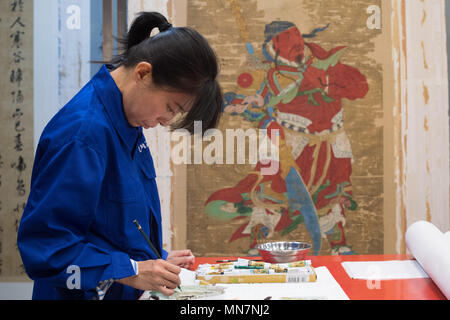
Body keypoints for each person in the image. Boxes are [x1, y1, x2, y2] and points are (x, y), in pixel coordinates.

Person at [17, 12, 223, 300]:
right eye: (171, 107)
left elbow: (110, 222)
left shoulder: (126, 120)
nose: (166, 120)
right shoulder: (83, 135)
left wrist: (154, 260)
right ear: (142, 73)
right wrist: (134, 270)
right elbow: (46, 249)